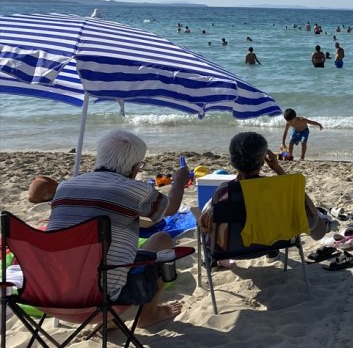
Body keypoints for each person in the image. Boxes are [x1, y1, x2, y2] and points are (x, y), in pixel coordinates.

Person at [46, 130, 189, 327]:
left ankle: (113, 320)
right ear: (135, 168)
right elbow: (171, 208)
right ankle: (148, 315)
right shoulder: (134, 190)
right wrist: (179, 181)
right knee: (163, 239)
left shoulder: (64, 187)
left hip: (51, 293)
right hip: (103, 298)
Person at [199, 132, 328, 253]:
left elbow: (205, 223)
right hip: (273, 244)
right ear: (262, 162)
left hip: (232, 249)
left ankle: (214, 263)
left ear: (233, 162)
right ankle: (272, 254)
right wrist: (278, 170)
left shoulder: (225, 191)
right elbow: (315, 223)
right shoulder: (279, 190)